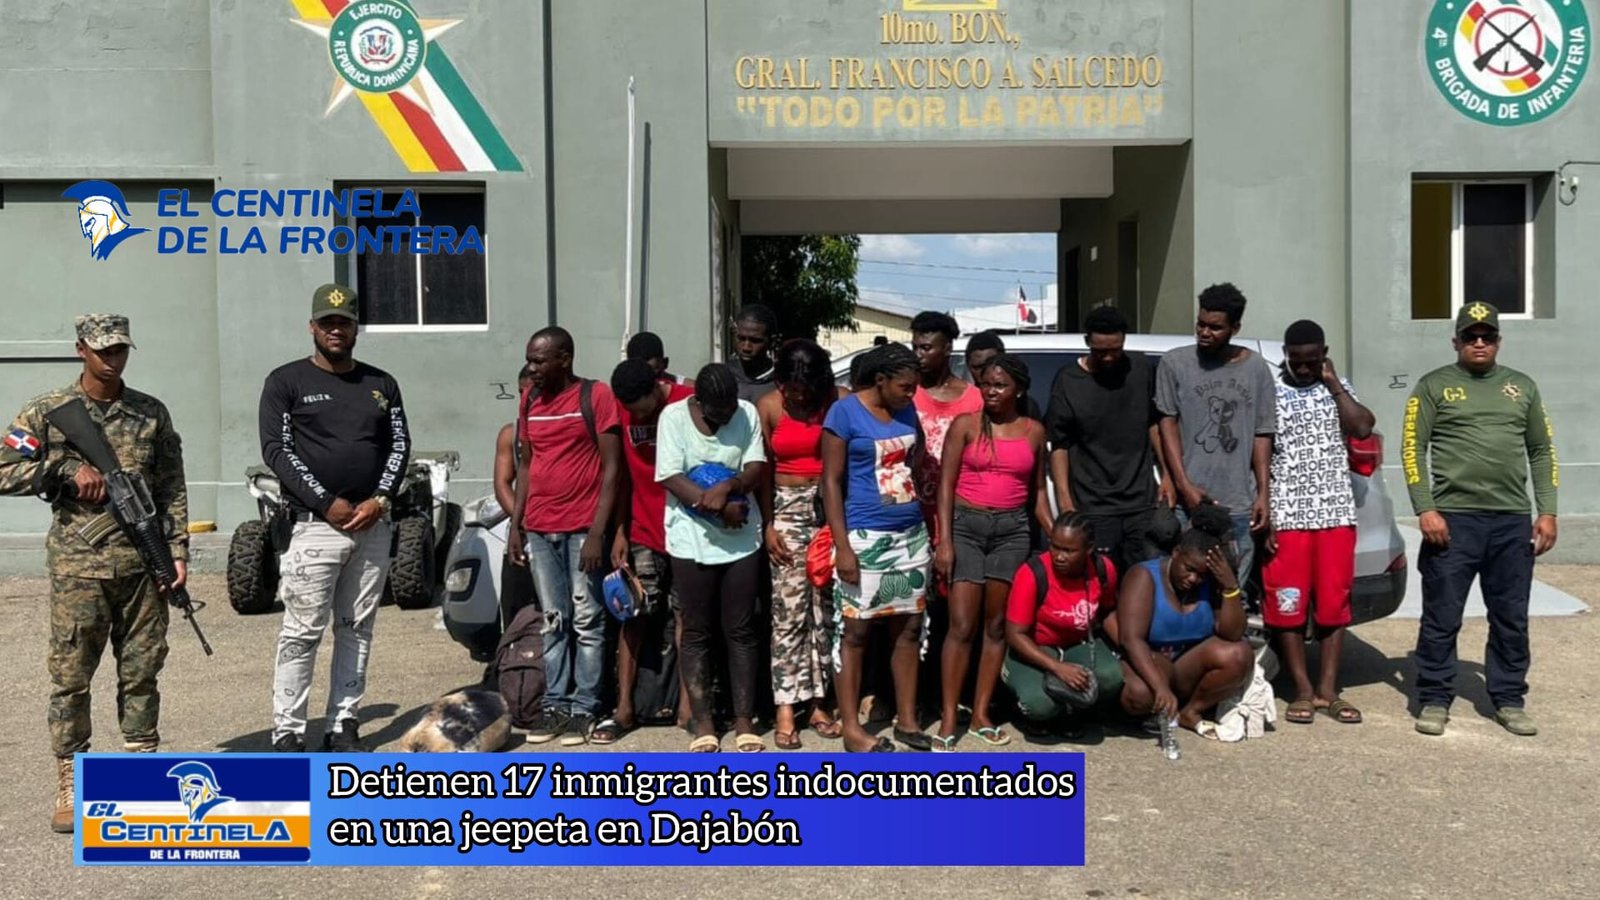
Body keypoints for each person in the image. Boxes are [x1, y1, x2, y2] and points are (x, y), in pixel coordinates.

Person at [0, 314, 187, 833]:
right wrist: (62, 469)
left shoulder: (150, 412)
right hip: (79, 568)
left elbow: (171, 485)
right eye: (103, 350)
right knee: (71, 677)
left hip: (142, 565)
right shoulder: (49, 411)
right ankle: (72, 778)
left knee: (142, 671)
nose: (112, 359)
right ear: (81, 349)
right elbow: (4, 468)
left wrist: (176, 552)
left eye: (120, 350)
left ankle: (142, 771)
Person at [259, 284, 409, 754]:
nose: (336, 330)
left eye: (344, 322)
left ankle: (343, 725)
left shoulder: (382, 384)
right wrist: (326, 502)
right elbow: (277, 450)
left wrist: (380, 499)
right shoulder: (286, 382)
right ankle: (288, 732)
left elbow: (399, 446)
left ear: (356, 328)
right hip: (314, 526)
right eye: (327, 323)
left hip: (371, 526)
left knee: (356, 629)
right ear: (312, 327)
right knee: (301, 633)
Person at [1405, 302, 1558, 738]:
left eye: (1486, 336)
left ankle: (1508, 699)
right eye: (1470, 336)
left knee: (1511, 617)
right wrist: (1425, 508)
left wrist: (1547, 510)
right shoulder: (1434, 386)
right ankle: (1435, 697)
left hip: (1511, 521)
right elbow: (1413, 447)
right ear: (1455, 341)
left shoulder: (1521, 387)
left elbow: (1541, 450)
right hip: (1452, 522)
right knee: (1442, 616)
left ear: (1498, 341)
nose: (1478, 343)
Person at [507, 326, 623, 747]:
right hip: (539, 528)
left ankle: (585, 706)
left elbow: (613, 468)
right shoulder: (529, 400)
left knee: (588, 620)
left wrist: (597, 532)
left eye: (540, 360)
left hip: (581, 529)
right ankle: (555, 703)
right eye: (530, 360)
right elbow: (526, 464)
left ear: (565, 358)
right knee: (553, 620)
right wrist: (517, 525)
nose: (532, 368)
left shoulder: (596, 396)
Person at [821, 343, 935, 752]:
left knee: (908, 627)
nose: (912, 393)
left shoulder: (906, 409)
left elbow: (914, 461)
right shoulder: (844, 413)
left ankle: (907, 720)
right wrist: (843, 546)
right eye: (905, 386)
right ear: (881, 380)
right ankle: (853, 729)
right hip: (864, 537)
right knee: (855, 631)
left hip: (910, 536)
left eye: (915, 387)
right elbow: (830, 482)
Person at [934, 353, 1051, 749]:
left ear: (1018, 389)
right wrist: (944, 541)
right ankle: (949, 716)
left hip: (1012, 531)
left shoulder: (1034, 431)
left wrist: (1055, 533)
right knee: (961, 624)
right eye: (985, 384)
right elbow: (945, 485)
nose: (991, 391)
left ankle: (981, 713)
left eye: (1000, 385)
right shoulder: (965, 425)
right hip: (966, 527)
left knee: (997, 626)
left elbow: (1037, 494)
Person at [1264, 320, 1375, 725]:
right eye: (1296, 360)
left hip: (1334, 513)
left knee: (1332, 605)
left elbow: (1362, 426)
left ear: (1324, 355)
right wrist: (1267, 512)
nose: (1304, 368)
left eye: (1312, 360)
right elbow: (1261, 453)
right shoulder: (1271, 391)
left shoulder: (1338, 387)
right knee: (1287, 605)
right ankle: (1302, 690)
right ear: (1285, 355)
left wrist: (1333, 385)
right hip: (1287, 515)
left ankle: (1328, 690)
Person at [656, 364, 769, 752]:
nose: (726, 417)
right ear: (699, 402)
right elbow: (671, 476)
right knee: (697, 631)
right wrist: (717, 508)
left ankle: (744, 720)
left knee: (741, 629)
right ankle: (703, 722)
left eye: (730, 408)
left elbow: (755, 466)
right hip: (691, 540)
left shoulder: (746, 413)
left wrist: (732, 485)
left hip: (742, 538)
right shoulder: (673, 418)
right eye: (717, 412)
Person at [597, 359, 695, 744]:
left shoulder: (688, 401)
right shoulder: (622, 408)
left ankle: (688, 707)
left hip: (687, 531)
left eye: (643, 408)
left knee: (687, 618)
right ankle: (624, 707)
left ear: (657, 385)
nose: (637, 415)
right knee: (632, 614)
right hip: (642, 529)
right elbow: (621, 475)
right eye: (631, 411)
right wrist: (619, 530)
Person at [1155, 283, 1276, 586]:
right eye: (1201, 324)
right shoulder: (1175, 363)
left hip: (1238, 502)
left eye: (1215, 327)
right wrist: (1184, 485)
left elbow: (1262, 433)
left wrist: (1263, 493)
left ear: (1235, 328)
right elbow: (1167, 424)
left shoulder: (1256, 368)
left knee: (1232, 590)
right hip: (1188, 503)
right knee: (1183, 587)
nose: (1204, 332)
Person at [758, 340, 846, 749]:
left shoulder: (837, 401)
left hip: (830, 510)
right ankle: (785, 706)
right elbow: (762, 471)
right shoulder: (768, 406)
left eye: (803, 389)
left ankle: (818, 702)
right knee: (788, 612)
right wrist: (768, 525)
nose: (796, 396)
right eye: (788, 388)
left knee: (824, 612)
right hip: (786, 509)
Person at [1047, 306, 1173, 574]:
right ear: (1087, 342)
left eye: (1115, 350)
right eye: (1100, 351)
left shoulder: (1141, 369)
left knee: (1145, 580)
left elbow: (1153, 423)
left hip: (1141, 502)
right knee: (1102, 581)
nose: (1108, 357)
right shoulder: (1068, 381)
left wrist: (1167, 476)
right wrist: (1065, 502)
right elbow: (1059, 445)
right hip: (1093, 506)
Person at [1116, 503, 1254, 738]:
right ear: (1176, 552)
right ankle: (1153, 706)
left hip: (1186, 668)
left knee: (1239, 654)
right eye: (1189, 569)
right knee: (1139, 695)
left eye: (1201, 575)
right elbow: (1131, 639)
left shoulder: (1210, 582)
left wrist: (1230, 586)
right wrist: (1160, 687)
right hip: (1151, 661)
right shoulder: (1144, 576)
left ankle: (1191, 711)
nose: (1193, 579)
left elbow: (1232, 634)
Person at [1001, 514, 1126, 735]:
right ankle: (1037, 713)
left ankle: (1075, 711)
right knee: (1040, 705)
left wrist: (1129, 648)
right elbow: (1015, 635)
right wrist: (1057, 668)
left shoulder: (1103, 569)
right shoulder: (1032, 573)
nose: (1059, 556)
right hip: (1035, 647)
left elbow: (1107, 611)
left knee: (1111, 676)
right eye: (1055, 547)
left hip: (1077, 644)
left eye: (1069, 551)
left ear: (1088, 549)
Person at [491, 365, 538, 630]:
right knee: (516, 615)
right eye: (521, 392)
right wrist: (524, 522)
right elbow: (502, 483)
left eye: (532, 392)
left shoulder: (567, 425)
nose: (526, 399)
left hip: (561, 530)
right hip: (524, 534)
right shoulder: (511, 433)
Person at [963, 331, 1042, 420]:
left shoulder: (1025, 405)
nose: (985, 373)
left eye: (991, 365)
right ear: (968, 366)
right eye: (978, 367)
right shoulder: (961, 402)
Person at [729, 304, 779, 403]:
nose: (746, 347)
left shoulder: (781, 383)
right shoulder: (723, 376)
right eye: (741, 338)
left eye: (755, 341)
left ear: (772, 342)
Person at [625, 331, 690, 386]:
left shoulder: (690, 391)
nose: (645, 379)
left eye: (651, 373)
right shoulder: (622, 391)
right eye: (638, 374)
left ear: (665, 363)